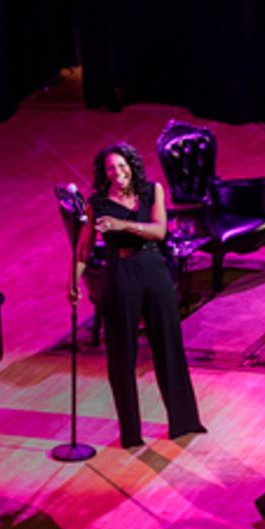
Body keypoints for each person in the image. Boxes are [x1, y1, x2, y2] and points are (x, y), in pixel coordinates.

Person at [72, 142, 205, 448]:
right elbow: (83, 248)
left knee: (168, 345)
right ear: (103, 174)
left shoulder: (152, 191)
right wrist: (74, 282)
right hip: (120, 274)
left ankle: (184, 421)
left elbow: (159, 232)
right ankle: (131, 433)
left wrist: (123, 224)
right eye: (110, 168)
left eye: (122, 165)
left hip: (152, 268)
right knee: (121, 355)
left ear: (131, 165)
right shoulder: (97, 204)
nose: (117, 173)